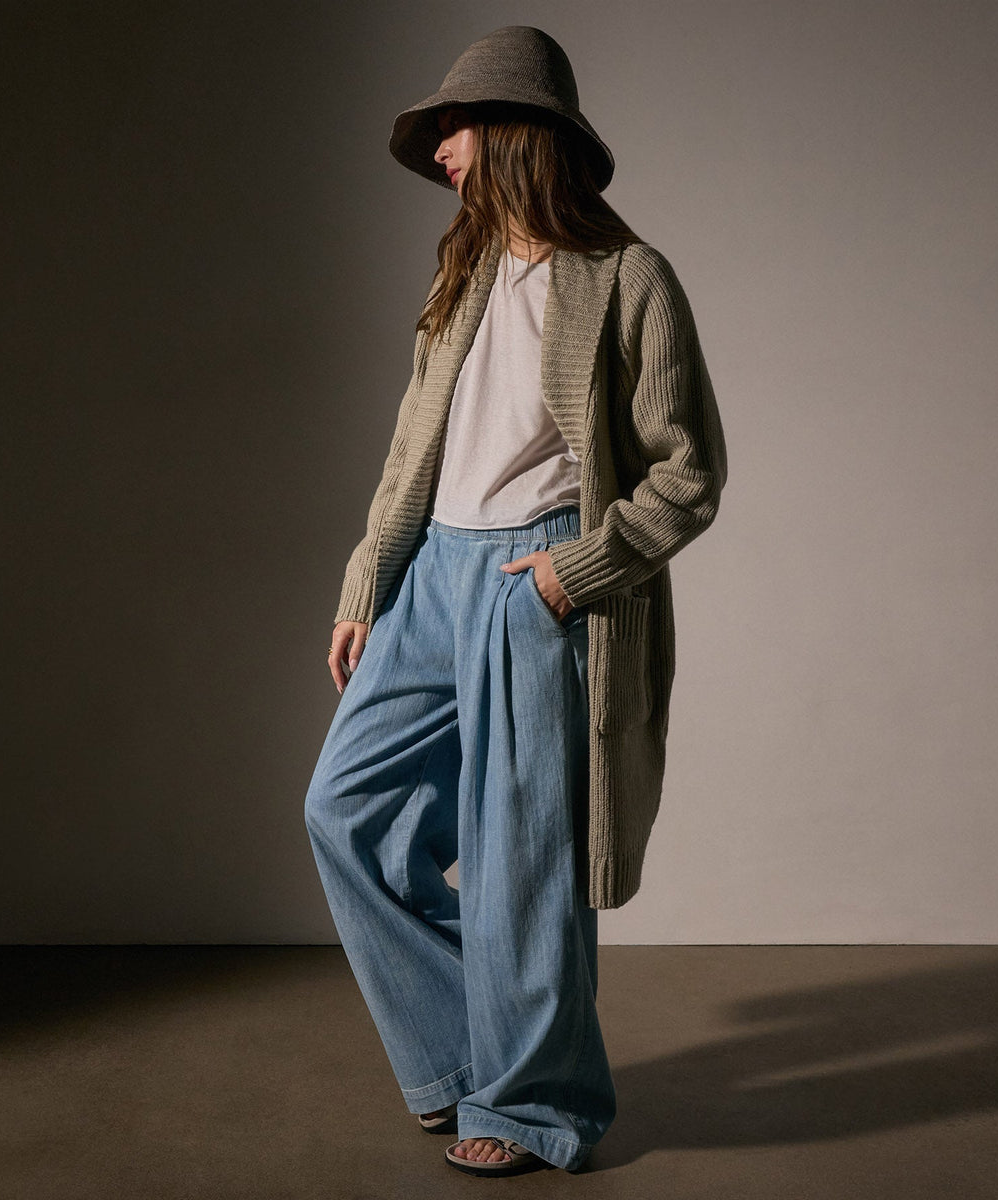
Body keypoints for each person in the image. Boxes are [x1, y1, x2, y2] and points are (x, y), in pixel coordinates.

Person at [304, 25, 727, 1178]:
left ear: (516, 134)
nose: (442, 148)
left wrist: (566, 575)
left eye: (457, 124)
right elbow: (414, 449)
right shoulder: (465, 272)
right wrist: (370, 578)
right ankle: (468, 1059)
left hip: (533, 577)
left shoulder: (629, 277)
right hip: (433, 574)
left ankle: (535, 1104)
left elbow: (688, 472)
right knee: (345, 809)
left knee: (524, 863)